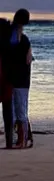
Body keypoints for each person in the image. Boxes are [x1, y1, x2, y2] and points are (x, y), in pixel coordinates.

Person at [5, 9, 33, 149]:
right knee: (19, 110)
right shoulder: (22, 38)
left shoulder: (18, 38)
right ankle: (23, 139)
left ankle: (22, 140)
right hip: (20, 78)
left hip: (19, 78)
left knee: (19, 110)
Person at [0, 18, 14, 149]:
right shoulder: (10, 45)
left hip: (3, 78)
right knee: (8, 112)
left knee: (8, 111)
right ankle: (9, 141)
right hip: (8, 80)